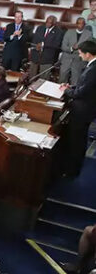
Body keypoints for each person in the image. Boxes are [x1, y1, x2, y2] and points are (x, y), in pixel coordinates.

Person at [60, 40, 96, 177]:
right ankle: (73, 166)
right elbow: (84, 87)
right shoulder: (92, 66)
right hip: (85, 110)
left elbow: (80, 93)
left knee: (76, 141)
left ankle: (71, 171)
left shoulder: (93, 70)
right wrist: (70, 87)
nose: (80, 56)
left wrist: (66, 90)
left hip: (82, 111)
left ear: (88, 54)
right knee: (78, 140)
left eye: (81, 53)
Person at [60, 18, 93, 86]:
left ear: (85, 25)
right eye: (79, 23)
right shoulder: (69, 32)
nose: (80, 25)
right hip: (67, 59)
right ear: (76, 24)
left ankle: (71, 96)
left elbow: (88, 48)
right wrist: (72, 48)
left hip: (79, 60)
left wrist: (79, 49)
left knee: (75, 81)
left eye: (82, 24)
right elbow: (63, 46)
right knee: (62, 79)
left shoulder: (88, 34)